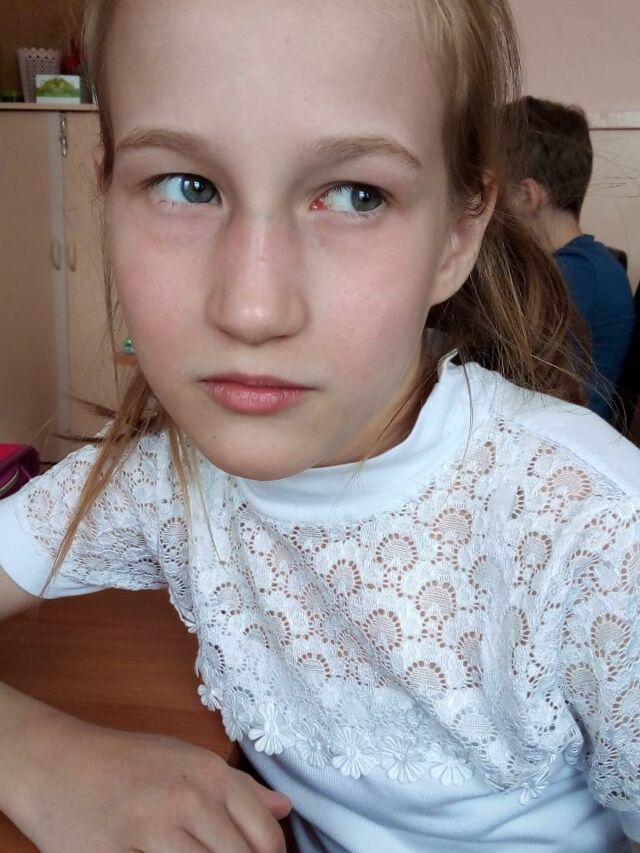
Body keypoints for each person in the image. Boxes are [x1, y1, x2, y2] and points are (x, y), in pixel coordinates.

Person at [0, 1, 638, 851]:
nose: (252, 307)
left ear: (457, 234)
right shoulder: (162, 481)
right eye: (187, 185)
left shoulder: (592, 532)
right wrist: (41, 755)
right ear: (107, 194)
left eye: (355, 195)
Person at [507, 95, 635, 421]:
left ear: (526, 196)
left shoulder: (575, 272)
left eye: (491, 191)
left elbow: (506, 376)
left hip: (555, 436)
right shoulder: (592, 263)